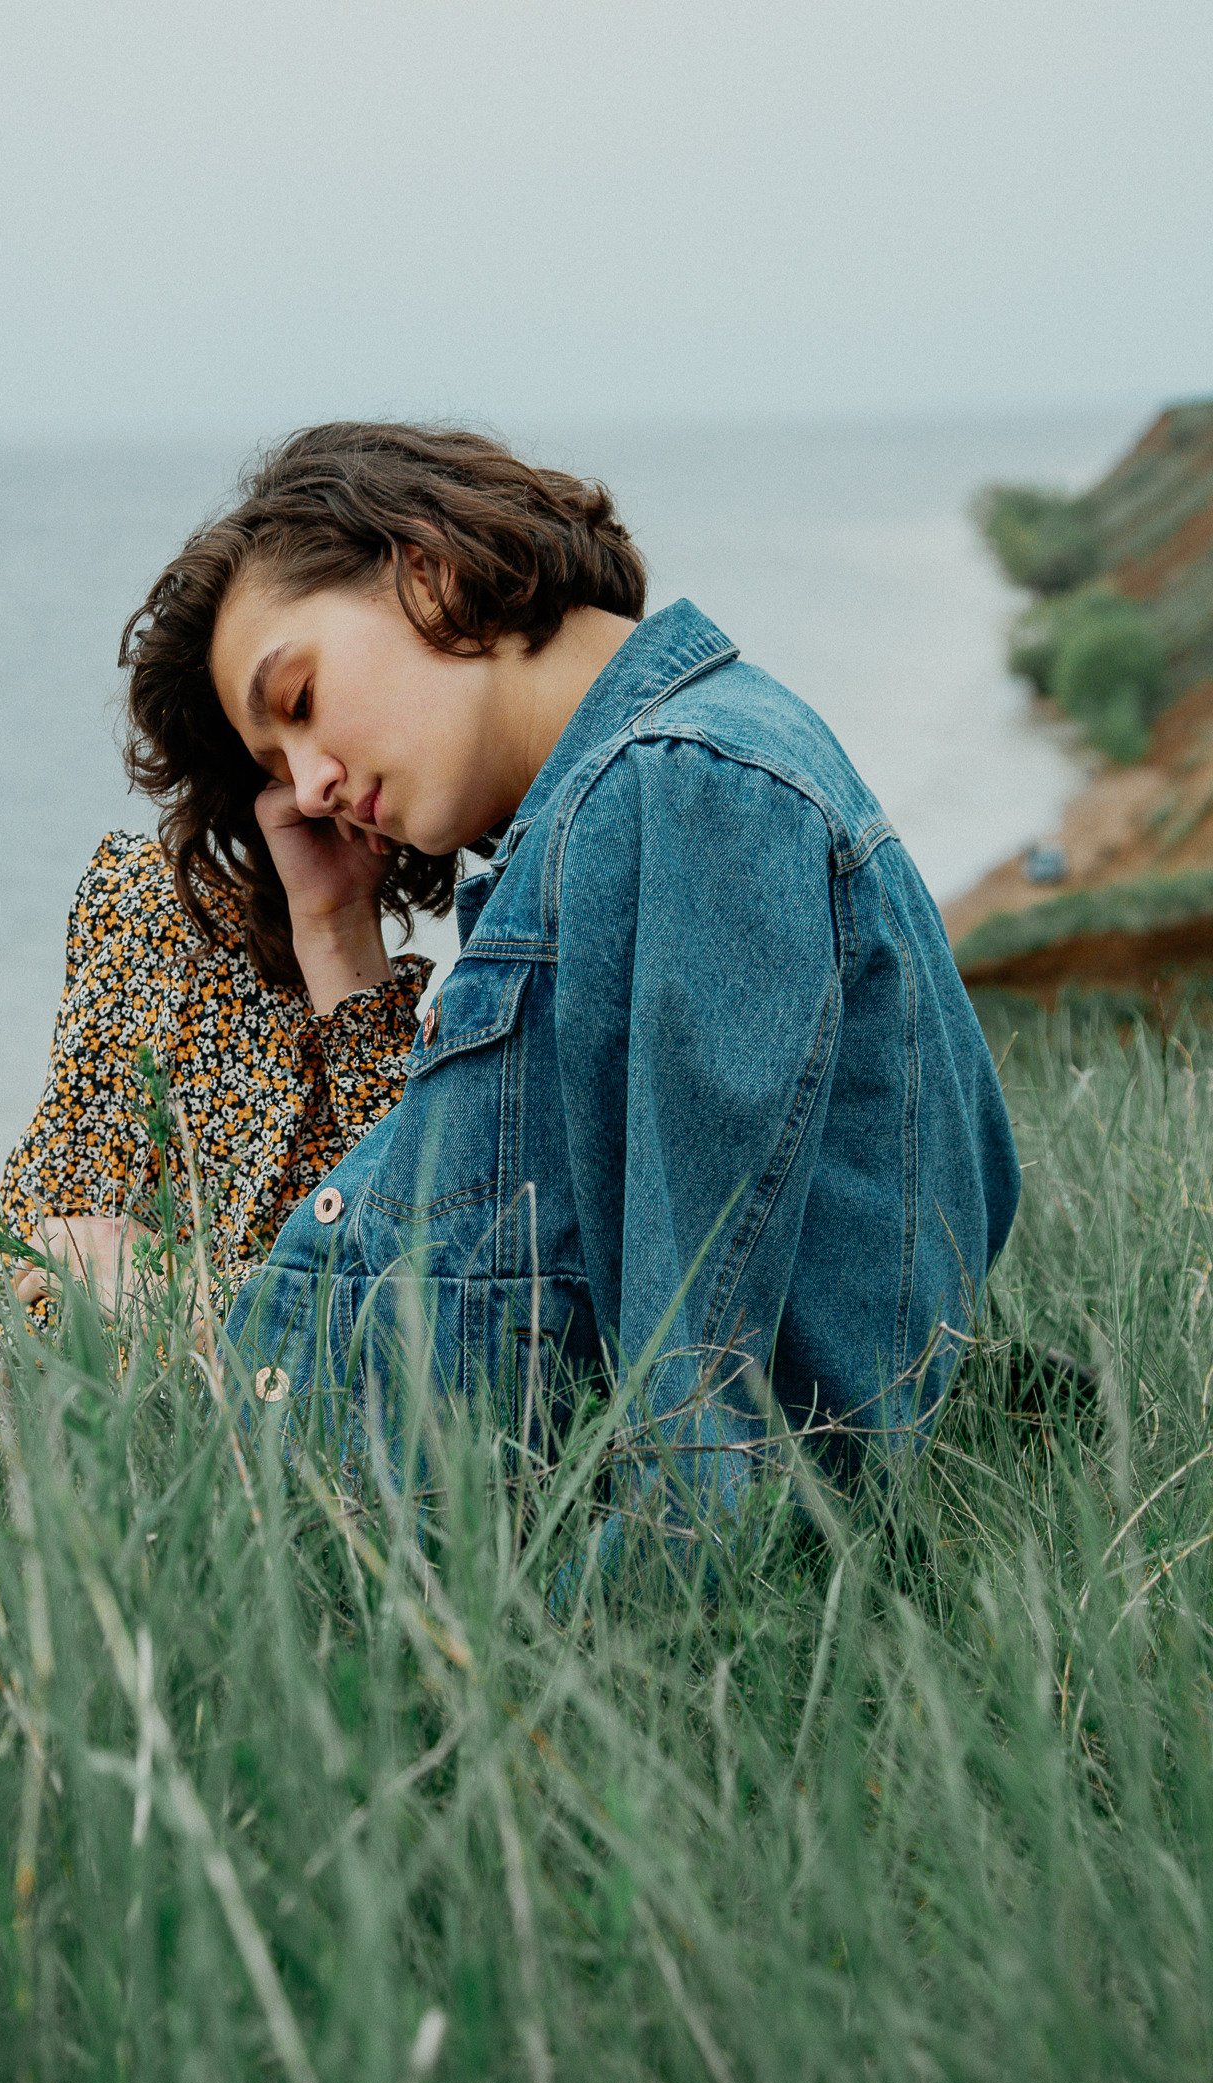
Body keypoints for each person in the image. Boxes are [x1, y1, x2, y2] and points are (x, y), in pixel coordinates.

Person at [117, 421, 1023, 1512]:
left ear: (428, 566)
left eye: (299, 702)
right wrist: (331, 936)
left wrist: (526, 1666)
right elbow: (475, 1237)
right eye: (277, 766)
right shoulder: (621, 805)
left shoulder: (680, 791)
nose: (306, 787)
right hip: (367, 1469)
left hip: (402, 1543)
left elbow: (703, 1433)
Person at [0, 825, 432, 1406]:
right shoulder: (152, 918)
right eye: (286, 726)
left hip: (255, 1405)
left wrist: (339, 936)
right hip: (115, 1399)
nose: (317, 779)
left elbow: (412, 1297)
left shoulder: (500, 927)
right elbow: (42, 1269)